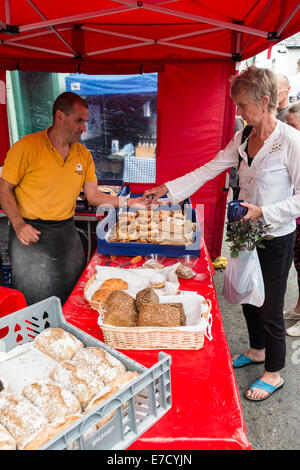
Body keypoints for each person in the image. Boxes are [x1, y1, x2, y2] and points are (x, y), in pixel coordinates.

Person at [143, 66, 300, 402]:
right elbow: (210, 167)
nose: (238, 112)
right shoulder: (243, 136)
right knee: (246, 295)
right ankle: (257, 350)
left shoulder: (290, 141)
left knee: (270, 305)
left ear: (265, 101)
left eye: (242, 106)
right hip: (245, 233)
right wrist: (167, 189)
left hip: (274, 237)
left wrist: (265, 212)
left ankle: (273, 372)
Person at [0, 92, 149, 306]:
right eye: (79, 120)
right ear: (59, 116)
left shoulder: (83, 154)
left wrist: (131, 202)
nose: (84, 128)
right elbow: (4, 189)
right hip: (30, 235)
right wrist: (18, 224)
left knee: (75, 298)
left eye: (85, 121)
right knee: (37, 305)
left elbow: (93, 196)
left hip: (66, 234)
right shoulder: (26, 147)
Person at [283, 101, 300, 337]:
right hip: (295, 219)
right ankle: (298, 309)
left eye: (292, 125)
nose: (287, 129)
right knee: (299, 268)